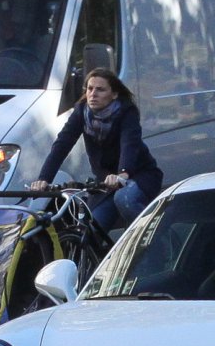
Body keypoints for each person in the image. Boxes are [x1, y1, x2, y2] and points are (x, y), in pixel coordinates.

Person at [27, 68, 163, 231]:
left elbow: (129, 144)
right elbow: (62, 145)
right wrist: (44, 179)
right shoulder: (82, 112)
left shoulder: (126, 112)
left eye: (100, 89)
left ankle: (155, 240)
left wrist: (123, 173)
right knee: (90, 229)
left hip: (138, 176)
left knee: (125, 198)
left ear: (114, 94)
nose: (93, 94)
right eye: (90, 88)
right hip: (105, 184)